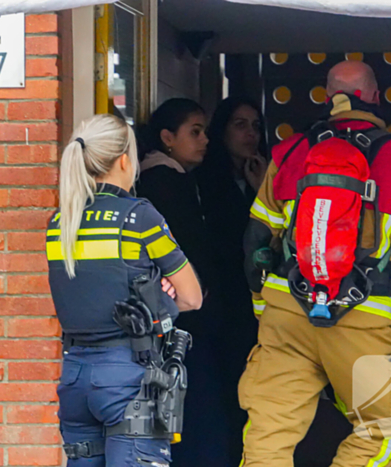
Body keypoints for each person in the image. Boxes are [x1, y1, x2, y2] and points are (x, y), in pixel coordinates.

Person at [240, 60, 391, 467]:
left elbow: (256, 242)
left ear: (329, 97)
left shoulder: (292, 152)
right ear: (375, 97)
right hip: (362, 316)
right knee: (387, 426)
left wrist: (266, 312)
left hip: (285, 312)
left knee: (269, 435)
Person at [48, 114, 203, 467]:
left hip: (74, 379)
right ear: (124, 160)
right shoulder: (138, 217)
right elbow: (192, 296)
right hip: (128, 378)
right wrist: (161, 294)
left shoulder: (60, 222)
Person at [137, 98, 231, 466]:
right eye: (195, 131)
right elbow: (190, 252)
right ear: (167, 137)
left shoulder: (172, 178)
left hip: (175, 320)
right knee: (198, 413)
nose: (206, 139)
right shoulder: (165, 182)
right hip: (185, 321)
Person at [195, 97, 267, 466]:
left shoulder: (261, 177)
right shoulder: (206, 181)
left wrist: (263, 188)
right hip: (225, 306)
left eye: (255, 125)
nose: (250, 134)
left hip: (261, 306)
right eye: (240, 124)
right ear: (221, 131)